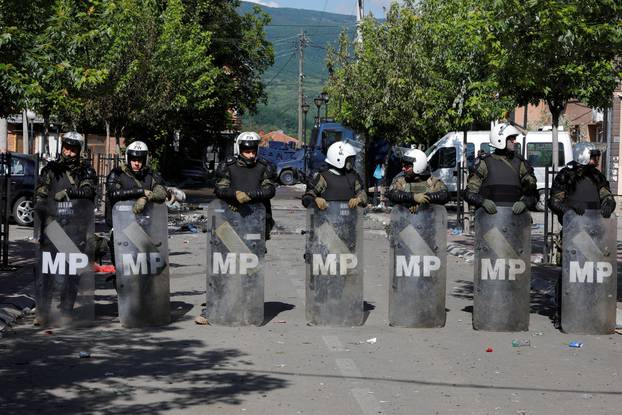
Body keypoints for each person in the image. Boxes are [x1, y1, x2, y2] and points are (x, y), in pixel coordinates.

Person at [548, 142, 616, 329]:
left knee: (593, 274)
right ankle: (562, 313)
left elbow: (606, 195)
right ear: (584, 156)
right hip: (574, 234)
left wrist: (609, 203)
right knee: (570, 273)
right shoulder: (566, 175)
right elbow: (554, 201)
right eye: (594, 156)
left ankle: (592, 311)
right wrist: (569, 208)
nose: (596, 160)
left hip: (596, 233)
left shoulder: (597, 177)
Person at [34, 131, 97, 321]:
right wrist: (40, 224)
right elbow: (40, 196)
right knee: (47, 272)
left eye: (73, 149)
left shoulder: (86, 170)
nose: (68, 153)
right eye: (66, 148)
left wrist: (69, 192)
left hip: (75, 227)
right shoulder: (50, 170)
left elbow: (87, 192)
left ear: (79, 151)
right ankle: (43, 312)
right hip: (53, 226)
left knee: (71, 273)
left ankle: (66, 311)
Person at [465, 122, 537, 214]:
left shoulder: (520, 163)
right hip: (489, 221)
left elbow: (533, 194)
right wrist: (482, 202)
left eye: (514, 138)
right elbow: (469, 193)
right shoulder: (484, 163)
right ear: (500, 139)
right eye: (511, 138)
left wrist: (525, 202)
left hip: (515, 221)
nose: (514, 141)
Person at [215, 131, 276, 238]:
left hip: (258, 218)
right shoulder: (228, 166)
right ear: (240, 150)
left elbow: (269, 190)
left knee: (254, 251)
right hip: (232, 215)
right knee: (230, 251)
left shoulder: (264, 167)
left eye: (253, 152)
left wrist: (250, 194)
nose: (251, 155)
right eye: (247, 152)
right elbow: (220, 189)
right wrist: (234, 194)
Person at [106, 141, 168, 224]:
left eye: (140, 160)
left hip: (146, 222)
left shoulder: (151, 174)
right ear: (128, 159)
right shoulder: (117, 173)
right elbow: (113, 193)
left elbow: (161, 189)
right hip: (120, 223)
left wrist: (146, 197)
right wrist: (141, 192)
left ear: (145, 160)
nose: (136, 163)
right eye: (133, 160)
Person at [301, 141, 367, 210]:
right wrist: (315, 199)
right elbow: (307, 198)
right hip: (326, 219)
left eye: (352, 159)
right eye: (349, 160)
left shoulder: (353, 177)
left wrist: (359, 199)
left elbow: (363, 194)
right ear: (338, 159)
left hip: (350, 219)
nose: (351, 162)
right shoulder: (323, 177)